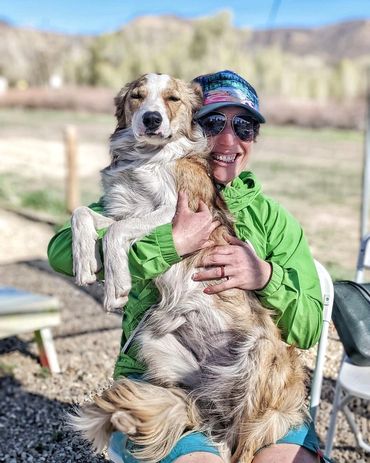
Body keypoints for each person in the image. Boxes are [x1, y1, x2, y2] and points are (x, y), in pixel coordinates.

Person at [48, 70, 326, 463]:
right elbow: (61, 253)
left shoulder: (273, 220)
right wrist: (172, 243)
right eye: (214, 123)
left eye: (244, 126)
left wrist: (264, 276)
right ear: (191, 125)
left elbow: (310, 326)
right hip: (166, 373)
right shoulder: (146, 189)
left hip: (256, 383)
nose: (229, 140)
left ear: (254, 138)